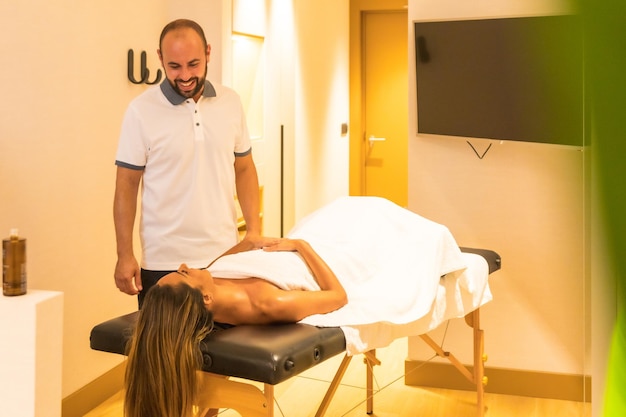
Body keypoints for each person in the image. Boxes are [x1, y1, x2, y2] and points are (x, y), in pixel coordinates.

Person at [113, 18, 263, 307]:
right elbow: (126, 184)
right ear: (160, 58)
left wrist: (253, 231)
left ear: (208, 53)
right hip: (164, 261)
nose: (185, 75)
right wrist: (125, 253)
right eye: (174, 66)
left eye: (193, 64)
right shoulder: (141, 111)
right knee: (164, 353)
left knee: (225, 350)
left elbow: (244, 167)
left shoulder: (230, 102)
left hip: (225, 257)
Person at [124, 237, 347, 417]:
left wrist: (249, 242)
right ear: (206, 298)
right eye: (184, 273)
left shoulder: (209, 285)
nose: (183, 266)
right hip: (326, 251)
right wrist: (302, 245)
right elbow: (338, 296)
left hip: (283, 245)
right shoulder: (270, 303)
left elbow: (223, 263)